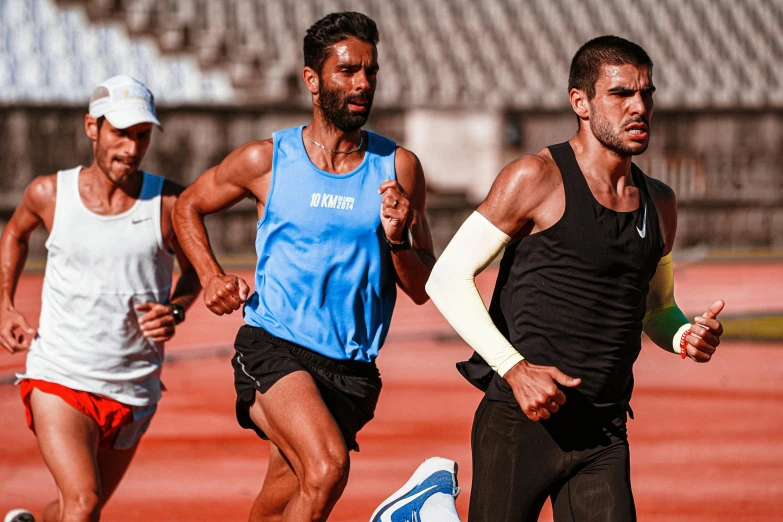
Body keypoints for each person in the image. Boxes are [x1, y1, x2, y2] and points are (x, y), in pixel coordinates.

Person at [425, 36, 725, 521]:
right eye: (621, 94)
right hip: (521, 423)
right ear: (580, 102)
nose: (639, 107)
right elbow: (447, 277)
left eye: (646, 94)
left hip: (603, 433)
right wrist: (515, 370)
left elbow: (656, 309)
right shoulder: (535, 178)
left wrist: (686, 335)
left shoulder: (661, 203)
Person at [172, 12, 443, 522]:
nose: (363, 83)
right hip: (275, 344)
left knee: (280, 501)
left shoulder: (399, 167)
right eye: (348, 71)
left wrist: (399, 238)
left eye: (371, 71)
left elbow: (422, 288)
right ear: (312, 79)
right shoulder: (267, 160)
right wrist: (209, 276)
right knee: (325, 468)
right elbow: (186, 205)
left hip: (352, 370)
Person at [0, 75, 200, 522]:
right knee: (84, 502)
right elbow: (14, 233)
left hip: (133, 386)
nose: (132, 148)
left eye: (142, 135)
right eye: (121, 133)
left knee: (74, 508)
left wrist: (175, 309)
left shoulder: (169, 203)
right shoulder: (49, 193)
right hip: (60, 376)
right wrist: (5, 304)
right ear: (92, 127)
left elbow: (195, 275)